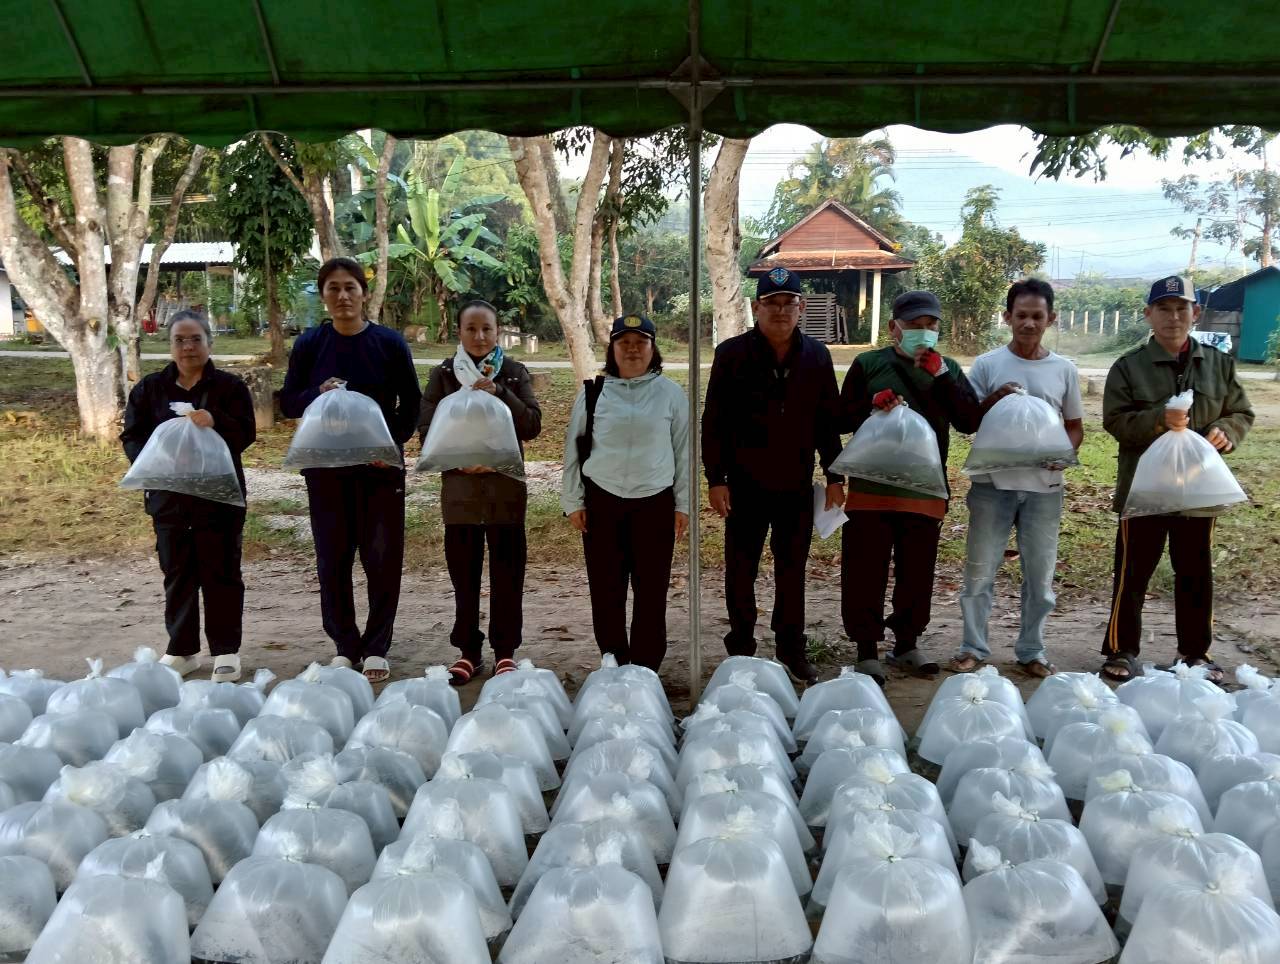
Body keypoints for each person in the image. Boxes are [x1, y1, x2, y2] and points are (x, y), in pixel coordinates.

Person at [1100, 275, 1254, 684]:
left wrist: (1227, 430)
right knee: (1133, 570)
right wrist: (1157, 421)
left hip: (1198, 488)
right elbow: (1115, 422)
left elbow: (1241, 412)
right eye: (1164, 309)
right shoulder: (1128, 367)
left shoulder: (1218, 364)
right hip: (1144, 490)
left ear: (1196, 313)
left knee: (1195, 570)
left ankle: (1195, 653)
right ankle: (1122, 648)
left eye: (1182, 308)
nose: (1173, 317)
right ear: (1149, 315)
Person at [281, 257, 422, 683]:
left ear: (364, 294)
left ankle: (377, 645)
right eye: (333, 289)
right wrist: (315, 394)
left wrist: (390, 448)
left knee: (382, 558)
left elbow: (411, 404)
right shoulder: (310, 344)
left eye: (350, 288)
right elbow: (288, 402)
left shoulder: (389, 343)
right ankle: (345, 645)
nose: (342, 296)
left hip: (379, 471)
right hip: (326, 472)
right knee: (333, 559)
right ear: (323, 296)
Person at [702, 268, 844, 684]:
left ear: (800, 308)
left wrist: (834, 475)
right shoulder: (731, 355)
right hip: (744, 484)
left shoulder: (817, 357)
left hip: (795, 485)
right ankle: (742, 644)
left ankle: (790, 647)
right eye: (772, 303)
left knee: (791, 569)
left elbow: (826, 422)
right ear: (756, 307)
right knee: (740, 568)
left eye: (789, 303)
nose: (781, 311)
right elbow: (714, 422)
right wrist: (715, 477)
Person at [837, 290, 981, 685]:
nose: (923, 332)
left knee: (917, 570)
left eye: (930, 326)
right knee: (865, 567)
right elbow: (838, 418)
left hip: (924, 491)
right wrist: (871, 402)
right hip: (871, 488)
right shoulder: (868, 364)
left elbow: (968, 420)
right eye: (914, 326)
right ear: (893, 328)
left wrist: (941, 376)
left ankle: (906, 643)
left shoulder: (947, 367)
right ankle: (866, 648)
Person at [951, 279, 1084, 679]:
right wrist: (996, 397)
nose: (1028, 324)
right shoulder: (990, 365)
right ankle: (973, 646)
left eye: (1037, 316)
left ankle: (1032, 649)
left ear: (1051, 319)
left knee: (1040, 577)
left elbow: (1074, 427)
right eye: (1021, 315)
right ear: (1007, 317)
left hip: (1044, 491)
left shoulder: (1063, 370)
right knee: (979, 572)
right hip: (993, 486)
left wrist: (1064, 455)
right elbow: (969, 420)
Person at [120, 310, 256, 682]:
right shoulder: (150, 389)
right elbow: (132, 438)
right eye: (180, 339)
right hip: (169, 500)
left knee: (222, 572)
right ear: (170, 346)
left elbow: (246, 433)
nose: (188, 347)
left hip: (219, 499)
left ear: (209, 343)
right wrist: (161, 457)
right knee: (177, 572)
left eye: (195, 338)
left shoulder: (229, 388)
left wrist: (215, 421)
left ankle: (226, 650)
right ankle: (182, 650)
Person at [419, 300, 542, 685]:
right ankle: (468, 651)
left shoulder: (514, 372)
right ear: (459, 332)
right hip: (460, 495)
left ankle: (505, 652)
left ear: (497, 330)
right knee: (465, 575)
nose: (479, 336)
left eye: (486, 329)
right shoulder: (443, 375)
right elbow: (427, 433)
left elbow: (532, 426)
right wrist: (460, 464)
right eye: (471, 329)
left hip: (505, 491)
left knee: (508, 573)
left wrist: (501, 392)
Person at [561, 314, 689, 671]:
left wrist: (683, 505)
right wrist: (573, 501)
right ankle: (613, 663)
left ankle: (647, 669)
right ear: (612, 349)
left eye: (641, 342)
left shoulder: (670, 394)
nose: (632, 349)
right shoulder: (593, 393)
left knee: (651, 593)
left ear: (653, 348)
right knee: (607, 592)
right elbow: (573, 448)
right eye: (624, 343)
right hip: (603, 502)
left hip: (655, 503)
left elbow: (683, 452)